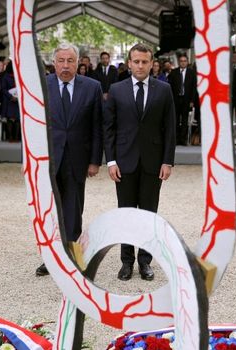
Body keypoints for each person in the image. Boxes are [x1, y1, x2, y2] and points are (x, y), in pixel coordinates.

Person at [103, 43, 176, 282]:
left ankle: (145, 262)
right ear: (129, 62)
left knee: (148, 215)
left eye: (145, 62)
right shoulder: (116, 89)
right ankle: (126, 262)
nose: (140, 66)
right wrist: (111, 161)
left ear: (152, 63)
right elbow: (109, 128)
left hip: (153, 163)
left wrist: (168, 161)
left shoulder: (164, 90)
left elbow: (169, 129)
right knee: (125, 215)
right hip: (123, 163)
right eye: (136, 61)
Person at [35, 43, 103, 276]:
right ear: (54, 63)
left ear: (78, 63)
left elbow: (97, 126)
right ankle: (51, 258)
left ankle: (73, 256)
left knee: (73, 210)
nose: (65, 66)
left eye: (70, 61)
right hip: (48, 160)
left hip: (77, 158)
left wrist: (95, 161)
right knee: (50, 211)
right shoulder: (42, 85)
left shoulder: (92, 87)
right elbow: (33, 125)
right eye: (61, 61)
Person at [167, 53, 197, 146]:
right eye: (181, 61)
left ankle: (183, 139)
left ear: (187, 62)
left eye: (185, 61)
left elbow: (194, 88)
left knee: (184, 120)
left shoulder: (191, 73)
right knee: (175, 119)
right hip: (176, 99)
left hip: (186, 99)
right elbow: (170, 87)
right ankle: (176, 139)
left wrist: (192, 101)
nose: (183, 63)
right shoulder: (174, 72)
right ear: (179, 62)